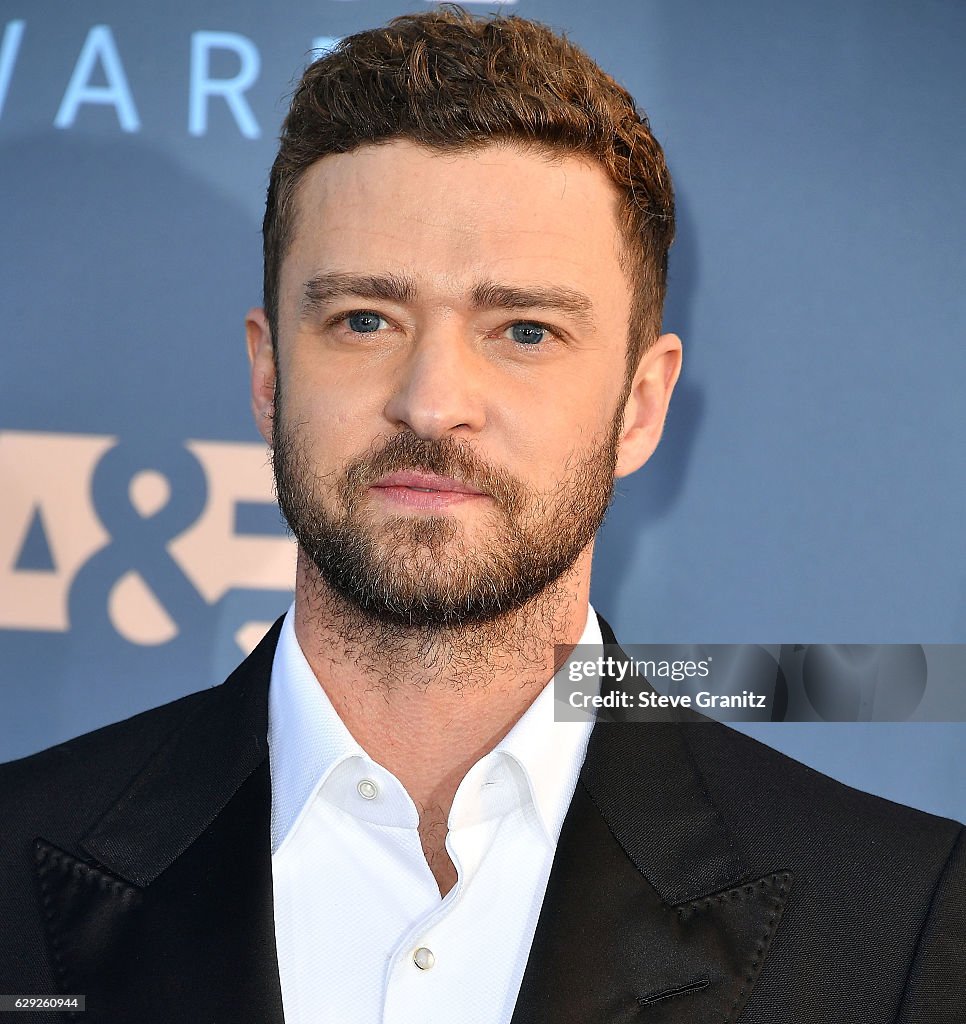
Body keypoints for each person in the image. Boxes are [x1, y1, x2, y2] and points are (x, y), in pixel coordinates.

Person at [1, 6, 963, 1022]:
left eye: (525, 330)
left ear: (639, 407)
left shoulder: (899, 926)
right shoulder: (14, 870)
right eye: (365, 319)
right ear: (269, 374)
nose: (431, 398)